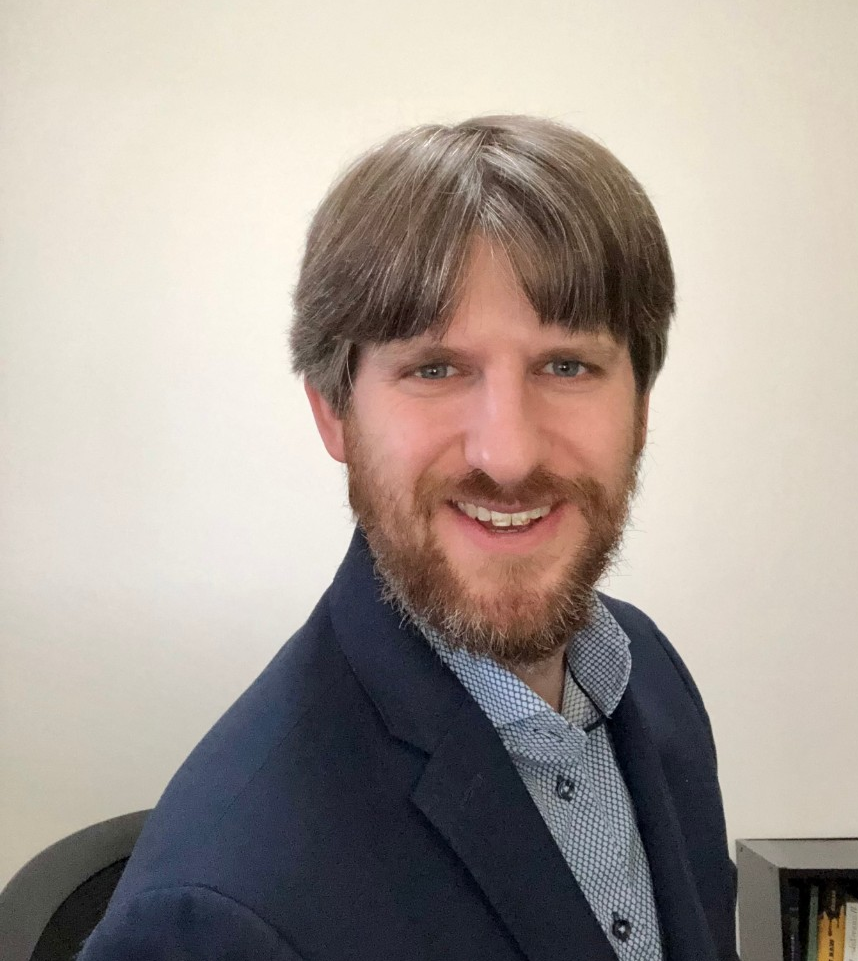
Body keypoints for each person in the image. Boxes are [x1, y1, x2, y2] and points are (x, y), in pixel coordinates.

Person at [79, 115, 737, 961]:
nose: (507, 454)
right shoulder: (212, 914)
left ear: (640, 407)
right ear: (334, 413)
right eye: (435, 368)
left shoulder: (652, 675)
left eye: (566, 365)